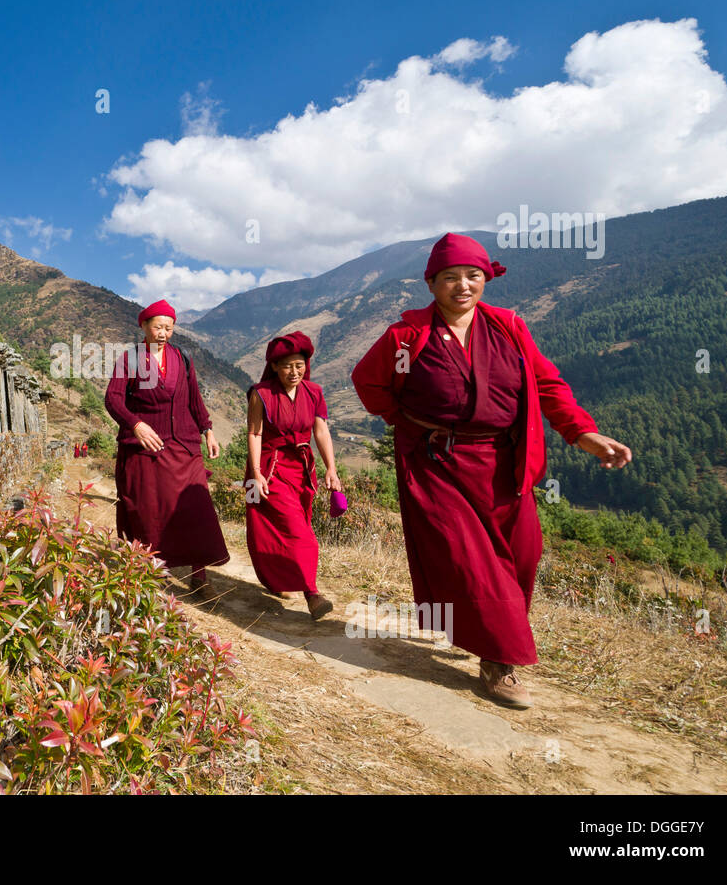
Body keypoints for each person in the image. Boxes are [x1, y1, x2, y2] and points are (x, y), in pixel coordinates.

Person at [351, 233, 632, 709]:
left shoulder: (507, 328)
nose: (463, 286)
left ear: (486, 279)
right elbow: (368, 381)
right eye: (450, 278)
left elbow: (547, 383)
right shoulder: (407, 336)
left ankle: (490, 632)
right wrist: (405, 420)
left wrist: (581, 432)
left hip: (505, 462)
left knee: (523, 553)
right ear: (432, 283)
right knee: (471, 559)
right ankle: (500, 662)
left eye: (472, 276)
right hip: (438, 463)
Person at [105, 299, 230, 591]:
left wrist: (207, 430)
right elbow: (113, 399)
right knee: (151, 510)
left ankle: (199, 575)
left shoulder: (183, 358)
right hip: (145, 446)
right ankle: (154, 571)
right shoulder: (130, 359)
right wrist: (136, 424)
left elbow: (194, 400)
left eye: (169, 328)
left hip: (184, 445)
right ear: (144, 326)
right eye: (158, 327)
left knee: (194, 507)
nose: (163, 333)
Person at [244, 332, 342, 620]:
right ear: (274, 366)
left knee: (296, 525)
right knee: (299, 534)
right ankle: (312, 593)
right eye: (287, 366)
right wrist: (257, 474)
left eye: (300, 365)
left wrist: (331, 469)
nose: (294, 372)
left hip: (301, 469)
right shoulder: (261, 394)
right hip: (268, 468)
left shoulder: (314, 392)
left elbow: (321, 431)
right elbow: (254, 432)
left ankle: (278, 580)